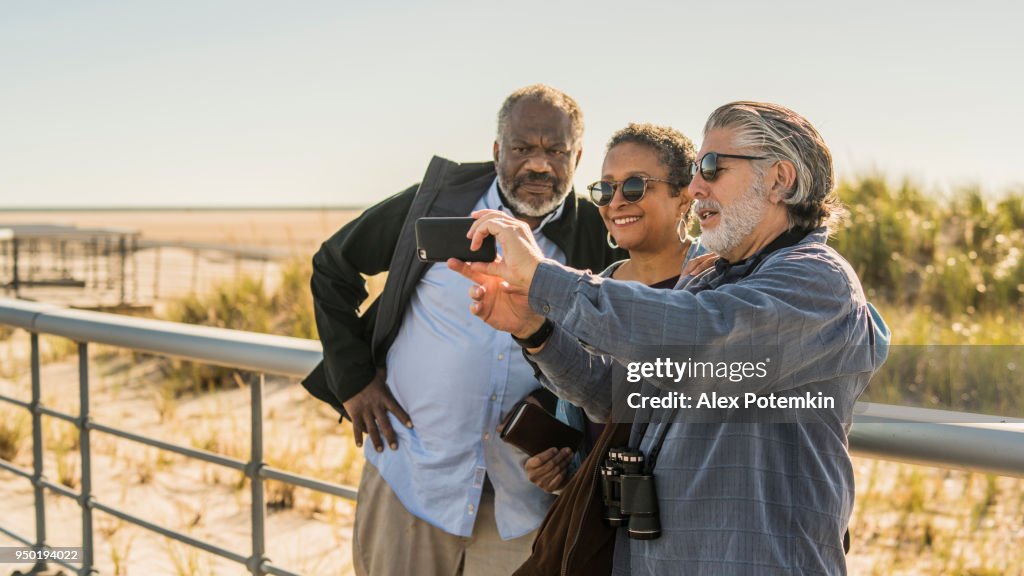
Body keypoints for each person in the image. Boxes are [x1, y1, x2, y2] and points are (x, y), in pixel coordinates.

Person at [451, 101, 890, 574]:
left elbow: (698, 333)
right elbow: (619, 397)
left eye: (712, 167)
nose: (697, 184)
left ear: (780, 179)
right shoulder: (715, 280)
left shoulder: (816, 285)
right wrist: (533, 329)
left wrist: (543, 277)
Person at [301, 84, 624, 575]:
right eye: (522, 148)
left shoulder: (595, 236)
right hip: (413, 483)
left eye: (555, 150)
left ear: (576, 155)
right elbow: (332, 268)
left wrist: (572, 448)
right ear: (497, 151)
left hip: (524, 502)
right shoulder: (434, 206)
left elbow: (610, 358)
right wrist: (354, 380)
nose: (539, 165)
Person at [523, 122, 707, 495]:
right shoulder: (589, 295)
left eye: (635, 186)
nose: (616, 201)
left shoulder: (721, 284)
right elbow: (587, 419)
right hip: (610, 521)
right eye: (605, 188)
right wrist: (563, 473)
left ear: (684, 197)